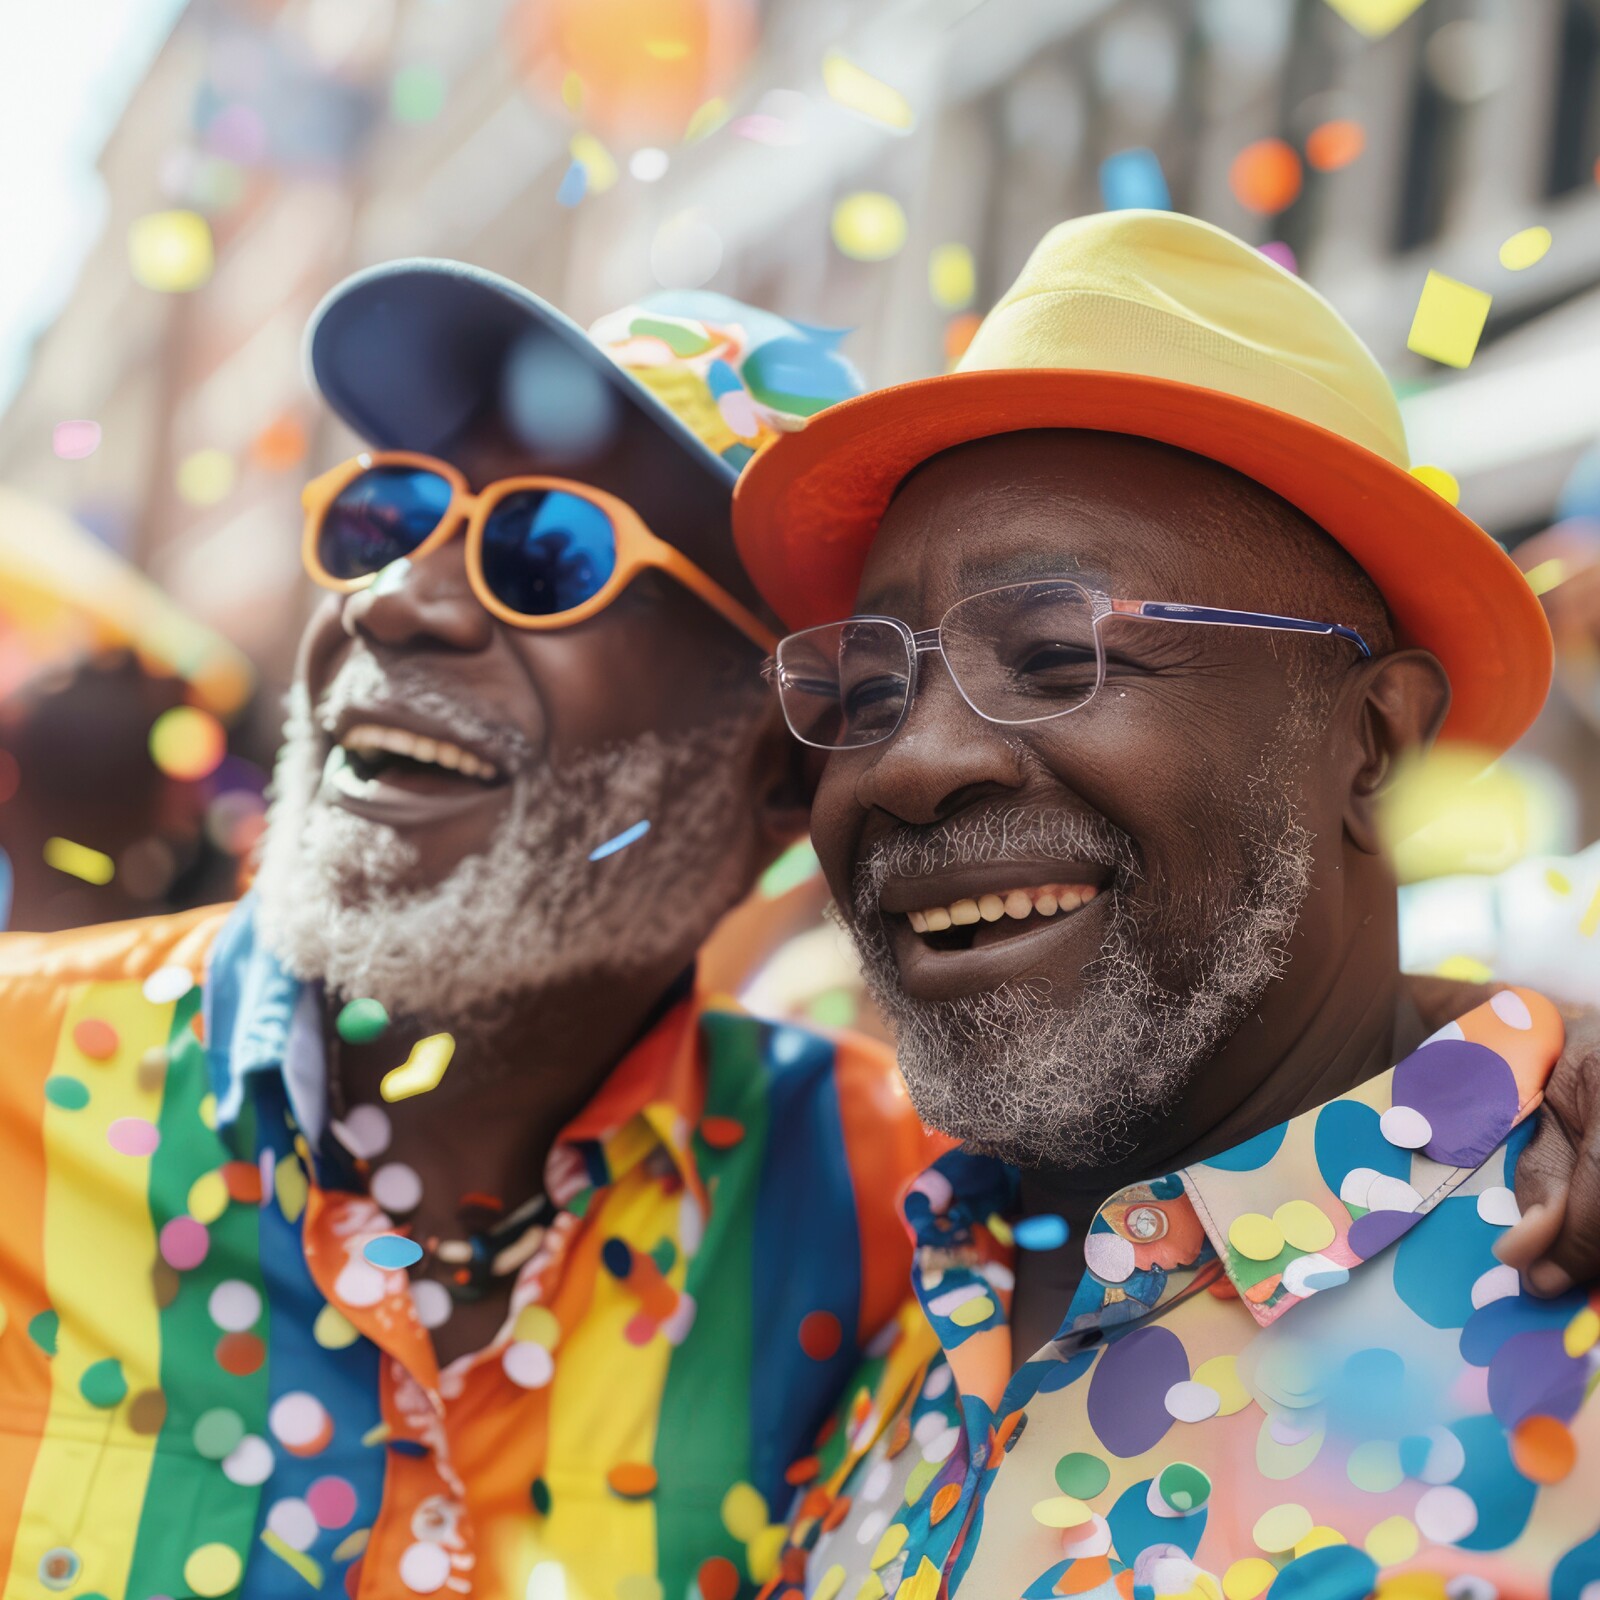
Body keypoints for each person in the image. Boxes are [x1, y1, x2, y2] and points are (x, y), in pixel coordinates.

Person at [0, 266, 933, 1600]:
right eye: (395, 518)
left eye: (546, 549)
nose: (395, 601)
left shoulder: (884, 1206)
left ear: (780, 773)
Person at [732, 212, 1600, 1598]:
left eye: (1056, 649)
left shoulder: (1568, 1303)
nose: (909, 763)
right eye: (867, 689)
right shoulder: (902, 1290)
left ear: (1371, 741)